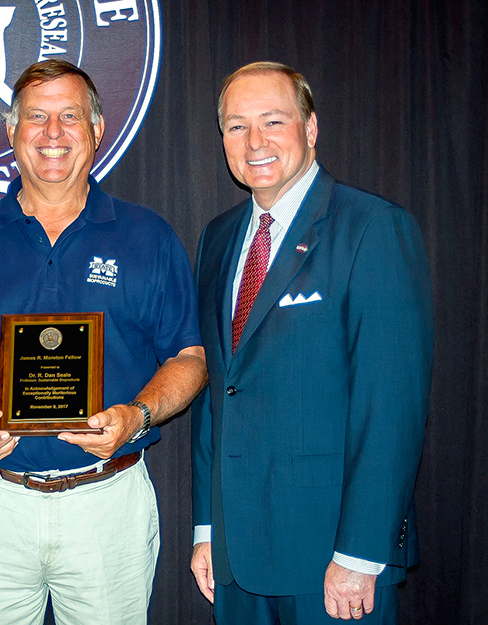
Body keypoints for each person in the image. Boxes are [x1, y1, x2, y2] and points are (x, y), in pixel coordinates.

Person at [0, 59, 207, 625]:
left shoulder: (149, 236)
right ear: (12, 132)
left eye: (69, 117)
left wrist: (136, 415)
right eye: (36, 118)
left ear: (97, 129)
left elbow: (188, 358)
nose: (53, 134)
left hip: (107, 503)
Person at [190, 62, 433, 624]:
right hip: (235, 555)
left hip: (332, 558)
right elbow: (215, 392)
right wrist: (208, 527)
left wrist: (362, 553)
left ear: (311, 128)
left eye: (273, 121)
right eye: (235, 126)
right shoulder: (218, 237)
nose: (254, 142)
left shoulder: (372, 228)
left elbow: (391, 406)